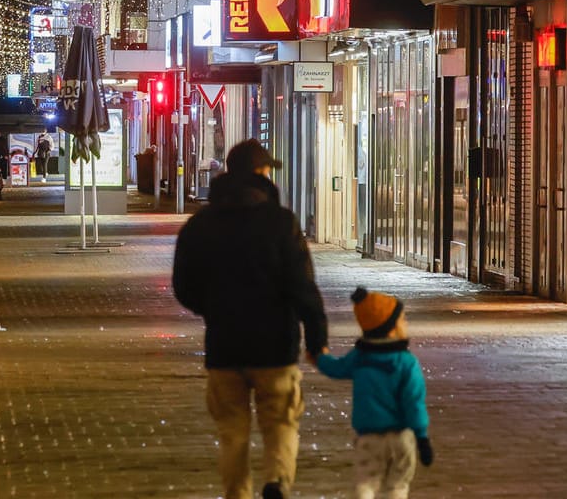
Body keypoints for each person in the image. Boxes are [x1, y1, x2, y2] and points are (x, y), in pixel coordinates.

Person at [171, 139, 328, 499]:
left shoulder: (200, 224)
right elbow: (302, 286)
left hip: (224, 347)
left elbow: (183, 285)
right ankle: (276, 482)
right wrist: (317, 340)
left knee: (232, 432)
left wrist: (212, 309)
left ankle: (237, 494)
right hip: (275, 348)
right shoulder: (281, 222)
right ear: (260, 173)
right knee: (281, 423)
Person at [315, 288, 432, 499]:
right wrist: (422, 438)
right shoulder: (406, 363)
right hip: (401, 436)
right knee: (397, 485)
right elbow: (414, 403)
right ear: (390, 328)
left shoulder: (360, 357)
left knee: (366, 483)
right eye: (402, 320)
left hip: (369, 436)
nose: (405, 324)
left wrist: (319, 356)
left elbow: (337, 368)